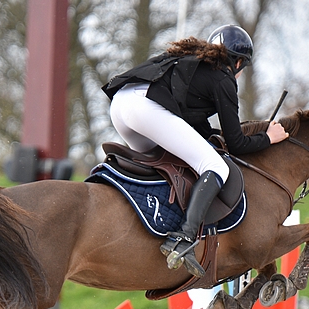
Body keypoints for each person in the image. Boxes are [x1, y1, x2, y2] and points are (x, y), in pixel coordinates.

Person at [102, 24, 289, 277]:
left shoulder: (195, 64)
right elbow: (236, 144)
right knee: (216, 167)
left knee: (169, 163)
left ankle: (155, 222)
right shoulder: (222, 77)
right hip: (144, 108)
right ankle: (184, 236)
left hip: (121, 106)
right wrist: (268, 137)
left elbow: (195, 127)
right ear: (237, 63)